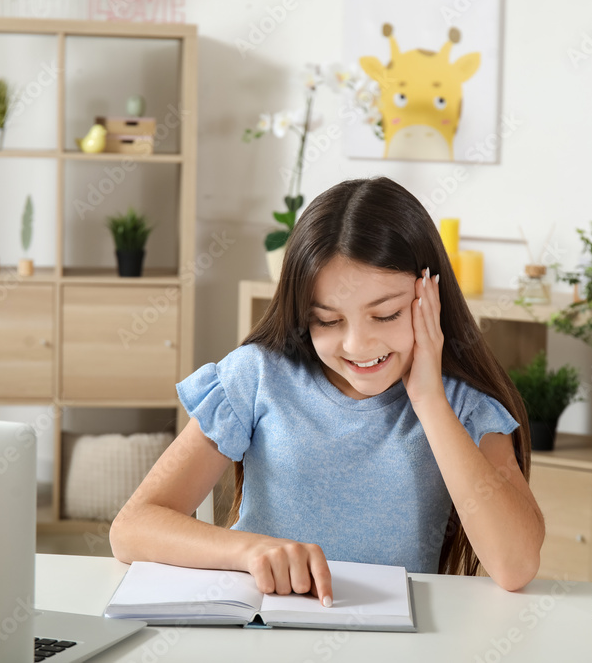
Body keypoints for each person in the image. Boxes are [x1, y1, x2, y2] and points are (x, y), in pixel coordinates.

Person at [110, 177, 545, 606]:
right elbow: (132, 528)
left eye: (387, 315)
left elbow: (515, 565)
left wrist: (429, 400)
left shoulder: (463, 407)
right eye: (328, 320)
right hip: (261, 636)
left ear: (429, 296)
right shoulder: (259, 375)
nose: (358, 345)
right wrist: (249, 551)